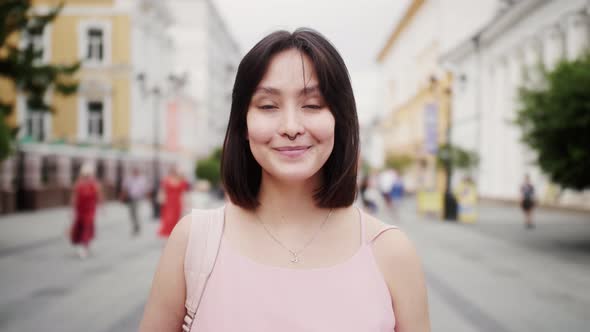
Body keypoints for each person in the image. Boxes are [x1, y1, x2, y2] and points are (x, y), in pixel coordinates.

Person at [140, 28, 430, 331]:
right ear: (243, 124)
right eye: (268, 106)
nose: (291, 126)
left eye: (313, 105)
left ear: (340, 120)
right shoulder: (193, 241)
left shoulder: (391, 251)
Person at [70, 162, 102, 259]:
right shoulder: (79, 184)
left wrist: (101, 207)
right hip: (80, 210)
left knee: (87, 227)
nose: (87, 176)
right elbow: (74, 197)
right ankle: (83, 245)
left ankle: (85, 246)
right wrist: (72, 209)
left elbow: (99, 196)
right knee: (80, 227)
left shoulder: (94, 184)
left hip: (90, 210)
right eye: (85, 175)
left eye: (89, 174)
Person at [157, 166, 190, 237]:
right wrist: (161, 199)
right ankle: (169, 233)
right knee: (169, 218)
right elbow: (162, 191)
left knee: (177, 218)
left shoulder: (181, 181)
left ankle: (175, 233)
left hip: (178, 202)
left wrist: (186, 203)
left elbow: (185, 191)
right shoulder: (166, 180)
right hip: (169, 202)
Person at [121, 167, 148, 235]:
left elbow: (144, 188)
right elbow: (124, 187)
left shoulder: (142, 179)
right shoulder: (129, 179)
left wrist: (144, 195)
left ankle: (136, 227)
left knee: (136, 212)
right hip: (130, 198)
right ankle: (135, 225)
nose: (135, 173)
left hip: (138, 198)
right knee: (131, 213)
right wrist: (125, 194)